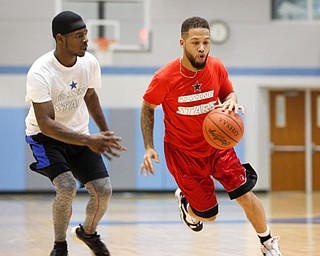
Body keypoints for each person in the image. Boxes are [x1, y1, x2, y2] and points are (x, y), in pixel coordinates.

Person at [139, 16, 282, 256]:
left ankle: (267, 243)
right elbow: (147, 108)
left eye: (206, 42)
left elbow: (229, 93)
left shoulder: (216, 67)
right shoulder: (165, 77)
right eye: (196, 42)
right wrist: (148, 146)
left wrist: (232, 102)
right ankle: (186, 203)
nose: (202, 47)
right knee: (209, 215)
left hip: (218, 146)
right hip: (183, 153)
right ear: (182, 43)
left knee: (245, 193)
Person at [25, 11, 126, 256]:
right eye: (79, 36)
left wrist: (104, 133)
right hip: (45, 138)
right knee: (67, 186)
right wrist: (90, 139)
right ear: (60, 39)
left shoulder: (89, 62)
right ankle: (59, 245)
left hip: (80, 134)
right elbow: (47, 123)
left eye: (85, 35)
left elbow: (90, 96)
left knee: (103, 190)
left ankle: (87, 233)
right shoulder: (40, 71)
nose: (86, 40)